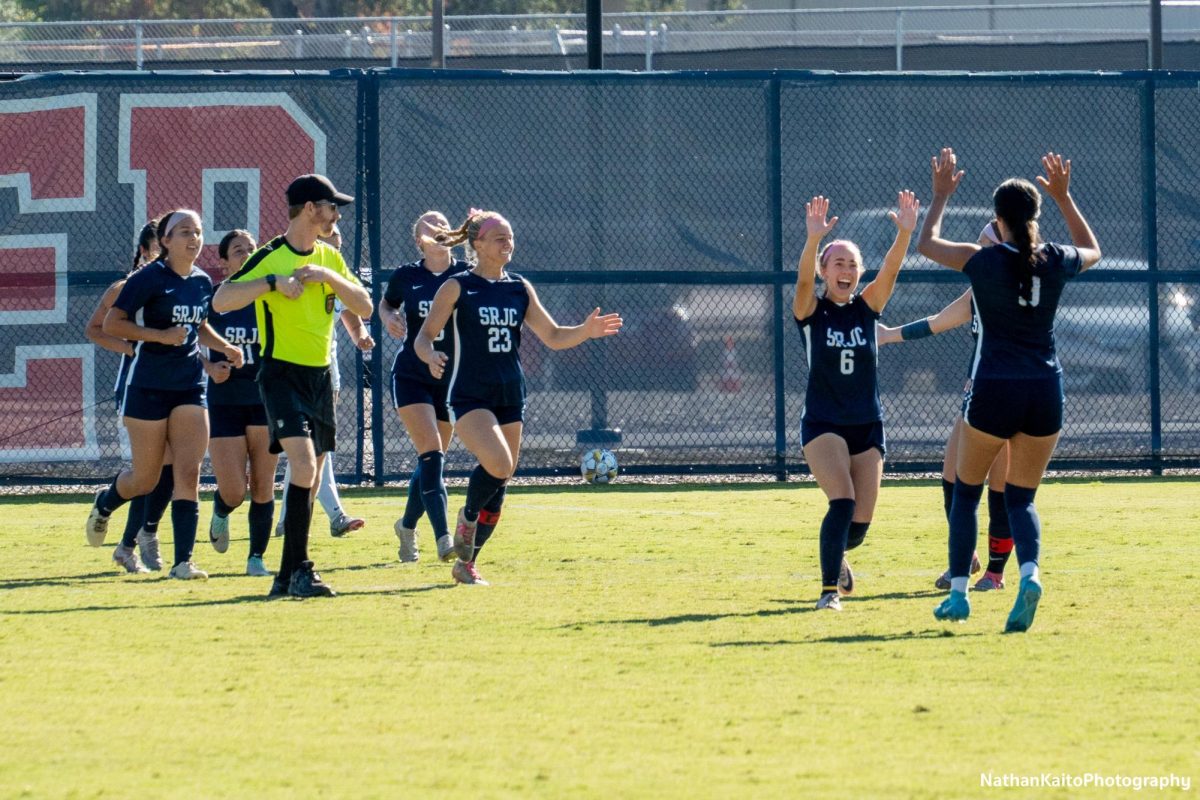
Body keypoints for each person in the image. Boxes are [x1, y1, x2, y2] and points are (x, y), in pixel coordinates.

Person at [917, 149, 1100, 630]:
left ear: (998, 220)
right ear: (1035, 216)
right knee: (1021, 499)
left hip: (995, 388)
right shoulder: (1055, 258)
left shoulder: (983, 261)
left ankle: (958, 595)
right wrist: (1064, 197)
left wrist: (940, 196)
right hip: (1045, 389)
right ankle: (1030, 575)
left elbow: (927, 244)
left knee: (966, 494)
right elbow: (1094, 249)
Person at [415, 210, 622, 585]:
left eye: (510, 237)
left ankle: (467, 563)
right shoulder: (457, 287)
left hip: (510, 394)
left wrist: (586, 331)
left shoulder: (519, 288)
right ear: (477, 245)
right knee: (497, 463)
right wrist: (430, 355)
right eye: (499, 238)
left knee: (504, 475)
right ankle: (467, 516)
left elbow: (555, 336)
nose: (507, 243)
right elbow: (424, 337)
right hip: (469, 395)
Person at [213, 174, 372, 599]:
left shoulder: (327, 257)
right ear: (309, 209)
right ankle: (301, 569)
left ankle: (285, 578)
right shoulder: (269, 256)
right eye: (330, 207)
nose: (335, 215)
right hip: (281, 373)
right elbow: (222, 300)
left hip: (320, 377)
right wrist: (270, 284)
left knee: (313, 472)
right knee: (303, 467)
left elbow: (365, 306)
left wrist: (328, 276)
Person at [85, 209, 243, 580]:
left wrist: (224, 348)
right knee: (146, 478)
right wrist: (159, 336)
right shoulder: (147, 278)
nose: (194, 238)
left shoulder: (203, 281)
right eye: (184, 231)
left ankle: (183, 562)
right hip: (147, 387)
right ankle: (106, 502)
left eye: (199, 231)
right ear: (166, 240)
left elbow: (198, 325)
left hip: (189, 386)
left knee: (188, 473)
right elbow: (111, 324)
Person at [794, 191, 920, 612]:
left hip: (867, 423)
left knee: (859, 526)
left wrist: (905, 232)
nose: (846, 270)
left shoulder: (868, 307)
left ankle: (839, 555)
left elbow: (891, 268)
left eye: (852, 264)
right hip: (824, 423)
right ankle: (829, 592)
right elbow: (801, 285)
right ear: (825, 272)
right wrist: (813, 240)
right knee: (842, 501)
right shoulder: (812, 310)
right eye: (838, 264)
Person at [877, 222, 1013, 592]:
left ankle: (995, 574)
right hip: (977, 396)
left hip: (1012, 395)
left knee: (1001, 488)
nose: (978, 250)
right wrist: (889, 335)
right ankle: (965, 556)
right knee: (953, 478)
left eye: (986, 244)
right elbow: (939, 322)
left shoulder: (1022, 286)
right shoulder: (979, 290)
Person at [84, 219, 176, 572]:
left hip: (177, 384)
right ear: (144, 250)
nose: (165, 254)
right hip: (138, 385)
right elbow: (95, 329)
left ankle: (135, 541)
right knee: (149, 470)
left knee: (170, 471)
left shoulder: (181, 285)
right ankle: (108, 504)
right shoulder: (126, 287)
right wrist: (130, 348)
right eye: (159, 246)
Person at [380, 210, 470, 564]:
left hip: (449, 379)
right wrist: (389, 319)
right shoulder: (407, 275)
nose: (435, 227)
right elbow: (386, 304)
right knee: (432, 453)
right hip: (412, 375)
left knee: (430, 462)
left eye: (440, 222)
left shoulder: (465, 274)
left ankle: (405, 525)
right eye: (427, 225)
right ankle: (443, 538)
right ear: (418, 240)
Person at [275, 223, 372, 539]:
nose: (337, 247)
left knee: (315, 449)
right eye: (331, 242)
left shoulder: (336, 276)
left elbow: (352, 315)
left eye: (339, 242)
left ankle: (291, 517)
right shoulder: (295, 276)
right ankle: (330, 514)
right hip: (292, 374)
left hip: (327, 376)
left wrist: (361, 337)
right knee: (308, 448)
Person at [205, 230, 278, 577]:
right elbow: (185, 339)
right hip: (225, 398)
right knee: (235, 491)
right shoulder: (216, 298)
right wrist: (208, 365)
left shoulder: (268, 296)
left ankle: (256, 559)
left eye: (252, 250)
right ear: (223, 263)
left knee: (263, 484)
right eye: (238, 252)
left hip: (264, 398)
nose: (247, 256)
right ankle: (221, 510)